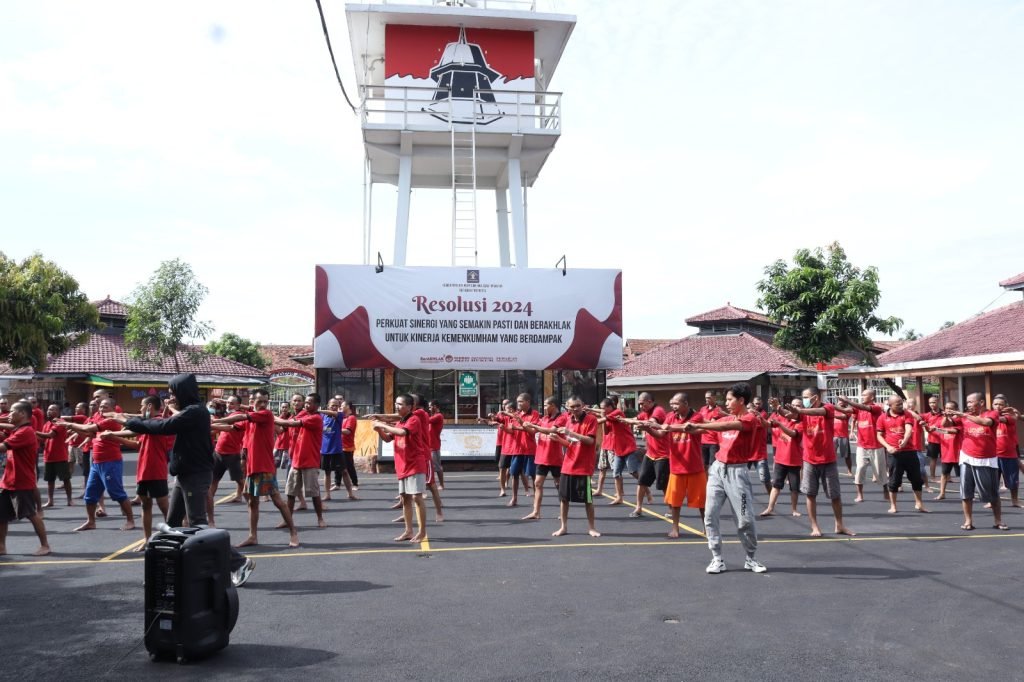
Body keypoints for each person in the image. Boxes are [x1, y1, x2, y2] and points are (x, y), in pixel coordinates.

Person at [117, 374, 254, 586]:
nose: (170, 397)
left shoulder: (195, 412)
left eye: (173, 393)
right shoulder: (190, 412)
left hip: (195, 475)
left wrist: (129, 421)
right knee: (172, 525)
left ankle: (238, 562)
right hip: (185, 474)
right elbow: (167, 421)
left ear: (183, 393)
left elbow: (163, 428)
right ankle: (165, 572)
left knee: (198, 525)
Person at [683, 383, 766, 574]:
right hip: (717, 471)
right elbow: (698, 430)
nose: (726, 403)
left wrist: (699, 424)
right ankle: (717, 558)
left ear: (741, 400)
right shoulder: (726, 418)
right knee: (710, 516)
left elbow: (727, 425)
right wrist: (667, 427)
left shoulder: (750, 419)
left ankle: (751, 558)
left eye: (729, 400)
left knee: (745, 519)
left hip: (738, 474)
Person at [213, 390, 299, 548]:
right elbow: (232, 428)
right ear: (253, 402)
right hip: (252, 467)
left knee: (278, 501)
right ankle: (253, 536)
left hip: (264, 466)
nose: (263, 404)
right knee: (252, 502)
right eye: (259, 401)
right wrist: (211, 424)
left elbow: (239, 417)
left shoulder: (265, 414)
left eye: (265, 401)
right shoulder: (252, 417)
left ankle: (293, 532)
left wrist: (216, 419)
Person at [780, 388, 857, 537]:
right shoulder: (804, 412)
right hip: (809, 460)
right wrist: (780, 408)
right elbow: (790, 416)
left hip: (828, 460)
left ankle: (839, 525)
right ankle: (815, 527)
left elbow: (818, 412)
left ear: (815, 397)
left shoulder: (827, 407)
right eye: (802, 397)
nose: (804, 400)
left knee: (835, 495)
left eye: (806, 397)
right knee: (810, 494)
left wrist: (800, 411)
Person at [99, 396, 174, 547]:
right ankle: (147, 540)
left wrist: (116, 418)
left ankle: (175, 537)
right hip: (143, 472)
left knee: (164, 507)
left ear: (149, 406)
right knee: (145, 506)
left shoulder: (159, 423)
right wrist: (114, 437)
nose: (140, 409)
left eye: (142, 406)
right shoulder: (145, 425)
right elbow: (138, 445)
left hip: (156, 471)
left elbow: (130, 422)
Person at [62, 397, 136, 532]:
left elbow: (87, 427)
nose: (101, 409)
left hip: (111, 462)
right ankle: (91, 522)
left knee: (117, 493)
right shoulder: (99, 419)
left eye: (105, 407)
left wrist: (69, 424)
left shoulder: (111, 420)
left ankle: (130, 520)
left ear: (113, 409)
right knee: (90, 494)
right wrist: (73, 430)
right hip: (97, 463)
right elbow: (87, 432)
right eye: (100, 406)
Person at [371, 394, 428, 542]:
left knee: (417, 497)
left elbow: (403, 433)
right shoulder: (399, 422)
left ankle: (422, 532)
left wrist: (383, 424)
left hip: (415, 463)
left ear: (410, 407)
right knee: (405, 499)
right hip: (402, 465)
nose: (397, 406)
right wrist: (379, 430)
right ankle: (408, 531)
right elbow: (388, 438)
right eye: (396, 403)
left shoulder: (414, 419)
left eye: (400, 404)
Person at [948, 393, 1007, 531]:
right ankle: (968, 521)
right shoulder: (965, 416)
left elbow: (986, 422)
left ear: (981, 402)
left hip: (986, 459)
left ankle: (998, 521)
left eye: (970, 402)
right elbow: (947, 424)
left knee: (992, 493)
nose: (968, 405)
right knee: (966, 492)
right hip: (967, 458)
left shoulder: (992, 413)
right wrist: (947, 417)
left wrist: (963, 415)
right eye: (967, 402)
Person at [651, 393, 706, 538]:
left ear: (686, 404)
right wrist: (648, 429)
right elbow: (660, 434)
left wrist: (667, 427)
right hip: (676, 467)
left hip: (695, 467)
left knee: (702, 503)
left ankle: (707, 526)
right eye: (672, 404)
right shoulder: (670, 417)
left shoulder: (697, 417)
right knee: (675, 502)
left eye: (676, 404)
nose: (673, 406)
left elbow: (688, 429)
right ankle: (675, 528)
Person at [0, 401, 51, 556]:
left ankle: (45, 545)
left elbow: (3, 447)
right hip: (8, 480)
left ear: (22, 414)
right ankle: (1, 547)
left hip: (21, 481)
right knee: (1, 515)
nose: (9, 415)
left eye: (12, 411)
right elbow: (8, 429)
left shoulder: (25, 432)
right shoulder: (19, 429)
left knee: (30, 514)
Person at [275, 393, 328, 530]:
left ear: (317, 405)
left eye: (309, 402)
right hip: (296, 460)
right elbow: (283, 428)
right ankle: (288, 519)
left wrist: (269, 417)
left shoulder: (315, 418)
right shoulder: (298, 416)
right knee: (291, 492)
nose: (306, 405)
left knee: (314, 493)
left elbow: (288, 423)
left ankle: (320, 518)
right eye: (306, 402)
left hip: (309, 460)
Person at [551, 396, 601, 538]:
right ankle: (563, 527)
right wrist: (558, 440)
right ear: (568, 407)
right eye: (572, 407)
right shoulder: (568, 420)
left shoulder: (591, 419)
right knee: (564, 499)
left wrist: (570, 433)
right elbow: (570, 444)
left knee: (588, 500)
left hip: (583, 467)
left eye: (577, 406)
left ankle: (591, 528)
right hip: (568, 465)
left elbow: (590, 441)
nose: (575, 409)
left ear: (583, 405)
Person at [875, 396, 929, 514]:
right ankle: (893, 506)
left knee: (916, 479)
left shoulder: (906, 414)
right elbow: (879, 435)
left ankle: (919, 503)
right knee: (894, 481)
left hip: (910, 452)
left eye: (901, 404)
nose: (900, 406)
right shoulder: (882, 418)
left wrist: (904, 441)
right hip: (894, 454)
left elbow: (908, 429)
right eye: (897, 404)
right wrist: (888, 447)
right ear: (890, 405)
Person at [620, 392, 668, 518]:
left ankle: (671, 509)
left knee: (664, 485)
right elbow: (635, 419)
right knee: (641, 481)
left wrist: (643, 424)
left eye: (642, 403)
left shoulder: (658, 410)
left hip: (663, 455)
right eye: (639, 404)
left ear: (649, 401)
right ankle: (638, 508)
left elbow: (652, 421)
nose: (641, 406)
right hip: (650, 454)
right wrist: (623, 420)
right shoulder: (644, 413)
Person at [521, 396, 567, 520]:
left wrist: (533, 426)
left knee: (559, 485)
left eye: (546, 405)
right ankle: (536, 512)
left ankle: (563, 512)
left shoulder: (562, 418)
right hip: (542, 457)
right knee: (537, 483)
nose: (544, 408)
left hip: (555, 457)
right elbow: (532, 432)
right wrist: (523, 424)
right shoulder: (544, 418)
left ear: (553, 405)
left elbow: (550, 431)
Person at [759, 398, 803, 518]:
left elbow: (793, 434)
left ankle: (794, 509)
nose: (794, 407)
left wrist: (780, 425)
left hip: (794, 460)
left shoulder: (802, 423)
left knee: (794, 488)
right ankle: (770, 508)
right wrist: (759, 417)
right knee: (776, 485)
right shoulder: (783, 418)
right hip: (780, 458)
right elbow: (768, 424)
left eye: (797, 405)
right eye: (792, 405)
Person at [842, 389, 887, 503]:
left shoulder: (876, 408)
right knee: (860, 469)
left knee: (880, 472)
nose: (862, 397)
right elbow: (846, 410)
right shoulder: (857, 409)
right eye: (861, 395)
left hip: (876, 446)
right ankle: (860, 495)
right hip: (862, 445)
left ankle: (886, 492)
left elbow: (863, 407)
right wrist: (833, 408)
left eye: (864, 395)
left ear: (872, 397)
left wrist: (848, 401)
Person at [208, 396, 246, 523]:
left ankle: (250, 500)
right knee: (213, 481)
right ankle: (207, 506)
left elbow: (229, 427)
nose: (229, 405)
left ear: (238, 405)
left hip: (232, 454)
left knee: (240, 480)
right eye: (228, 403)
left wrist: (212, 423)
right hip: (218, 452)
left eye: (232, 403)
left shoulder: (240, 416)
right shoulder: (226, 416)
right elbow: (217, 430)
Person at [504, 393, 540, 508]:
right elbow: (512, 431)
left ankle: (536, 499)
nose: (518, 404)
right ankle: (514, 498)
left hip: (529, 449)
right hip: (517, 449)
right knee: (514, 474)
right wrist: (504, 428)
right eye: (518, 401)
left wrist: (519, 424)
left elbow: (532, 431)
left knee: (533, 475)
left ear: (528, 402)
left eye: (521, 401)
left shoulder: (534, 414)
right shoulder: (516, 414)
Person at [36, 404, 73, 508]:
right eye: (48, 409)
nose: (49, 411)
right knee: (50, 480)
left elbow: (50, 435)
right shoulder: (47, 424)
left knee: (65, 479)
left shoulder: (60, 423)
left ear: (58, 411)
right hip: (48, 455)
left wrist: (32, 431)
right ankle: (50, 500)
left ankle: (70, 499)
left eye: (52, 409)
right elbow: (42, 439)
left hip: (60, 455)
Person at [992, 395, 1020, 508]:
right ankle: (992, 501)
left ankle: (1015, 501)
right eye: (996, 404)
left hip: (1009, 454)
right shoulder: (989, 417)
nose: (998, 406)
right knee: (993, 481)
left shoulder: (1010, 417)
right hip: (992, 455)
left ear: (1006, 406)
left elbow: (999, 419)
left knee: (1013, 481)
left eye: (1001, 404)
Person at [931, 401, 961, 501]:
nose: (948, 410)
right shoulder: (943, 419)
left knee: (964, 476)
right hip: (947, 452)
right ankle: (942, 493)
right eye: (947, 408)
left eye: (951, 408)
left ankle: (970, 494)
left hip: (959, 453)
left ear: (956, 409)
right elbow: (942, 425)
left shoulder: (960, 419)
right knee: (944, 474)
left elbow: (950, 427)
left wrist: (939, 428)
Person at [318, 398, 345, 502]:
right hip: (325, 450)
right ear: (328, 405)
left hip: (337, 449)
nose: (334, 407)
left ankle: (350, 493)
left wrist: (319, 410)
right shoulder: (322, 417)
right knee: (327, 473)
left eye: (336, 405)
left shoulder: (339, 415)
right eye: (332, 405)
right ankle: (327, 494)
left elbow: (334, 413)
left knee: (344, 471)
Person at [338, 400, 360, 494]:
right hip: (339, 445)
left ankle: (355, 483)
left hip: (347, 446)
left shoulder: (351, 418)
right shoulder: (342, 417)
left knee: (349, 465)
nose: (341, 407)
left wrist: (335, 428)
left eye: (342, 405)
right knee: (338, 466)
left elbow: (348, 431)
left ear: (348, 406)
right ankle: (337, 483)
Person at [698, 391, 723, 469]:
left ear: (714, 398)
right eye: (706, 397)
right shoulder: (702, 409)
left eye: (709, 397)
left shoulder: (718, 409)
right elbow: (699, 420)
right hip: (703, 441)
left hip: (713, 441)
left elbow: (712, 423)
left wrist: (701, 419)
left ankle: (713, 480)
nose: (707, 399)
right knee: (703, 465)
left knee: (712, 465)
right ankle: (706, 481)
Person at [922, 396, 945, 482]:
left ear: (938, 402)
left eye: (934, 402)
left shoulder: (944, 413)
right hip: (933, 440)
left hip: (944, 440)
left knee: (945, 459)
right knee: (933, 459)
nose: (932, 404)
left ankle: (947, 477)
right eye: (930, 403)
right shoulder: (927, 415)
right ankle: (932, 477)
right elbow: (917, 418)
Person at [427, 400, 445, 490]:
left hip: (434, 446)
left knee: (437, 466)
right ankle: (429, 484)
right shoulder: (432, 416)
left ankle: (441, 484)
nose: (429, 408)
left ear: (435, 406)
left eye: (430, 406)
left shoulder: (438, 416)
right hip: (428, 446)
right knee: (428, 467)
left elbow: (426, 420)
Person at [833, 407, 853, 476]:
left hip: (843, 436)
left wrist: (833, 415)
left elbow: (843, 417)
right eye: (840, 400)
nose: (841, 402)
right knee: (832, 455)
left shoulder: (847, 411)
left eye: (843, 400)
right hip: (833, 436)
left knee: (846, 456)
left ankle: (849, 470)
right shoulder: (833, 410)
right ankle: (833, 470)